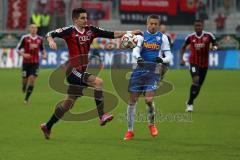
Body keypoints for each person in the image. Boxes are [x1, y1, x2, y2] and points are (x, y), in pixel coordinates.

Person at [40, 8, 141, 140]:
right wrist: (51, 41)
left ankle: (47, 126)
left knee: (68, 104)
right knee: (98, 82)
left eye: (86, 17)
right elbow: (50, 33)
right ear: (75, 20)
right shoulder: (69, 31)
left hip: (81, 71)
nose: (85, 20)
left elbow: (111, 34)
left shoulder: (91, 30)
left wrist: (130, 32)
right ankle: (102, 115)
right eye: (82, 18)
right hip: (72, 70)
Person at [124, 15, 173, 140]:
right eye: (151, 23)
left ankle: (151, 124)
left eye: (155, 24)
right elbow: (135, 50)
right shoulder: (141, 37)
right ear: (147, 24)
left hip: (153, 72)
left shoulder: (163, 38)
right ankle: (130, 131)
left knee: (149, 100)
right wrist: (138, 57)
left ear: (158, 24)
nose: (153, 26)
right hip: (138, 71)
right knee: (132, 101)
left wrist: (162, 59)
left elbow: (169, 56)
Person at [180, 19, 217, 112]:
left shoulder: (208, 36)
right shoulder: (190, 37)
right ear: (194, 27)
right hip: (193, 62)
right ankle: (190, 104)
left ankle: (189, 100)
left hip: (204, 64)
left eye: (199, 25)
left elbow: (216, 44)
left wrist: (214, 47)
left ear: (202, 26)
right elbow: (183, 47)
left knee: (198, 86)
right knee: (195, 80)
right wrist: (182, 59)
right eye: (196, 26)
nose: (198, 27)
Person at [16, 24, 47, 104]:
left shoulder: (40, 39)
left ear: (37, 29)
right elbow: (17, 49)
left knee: (32, 79)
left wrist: (44, 55)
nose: (34, 29)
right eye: (32, 28)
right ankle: (24, 86)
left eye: (35, 28)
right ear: (29, 29)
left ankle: (26, 99)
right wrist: (24, 54)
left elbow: (43, 49)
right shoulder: (25, 38)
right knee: (25, 80)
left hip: (35, 63)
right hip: (26, 63)